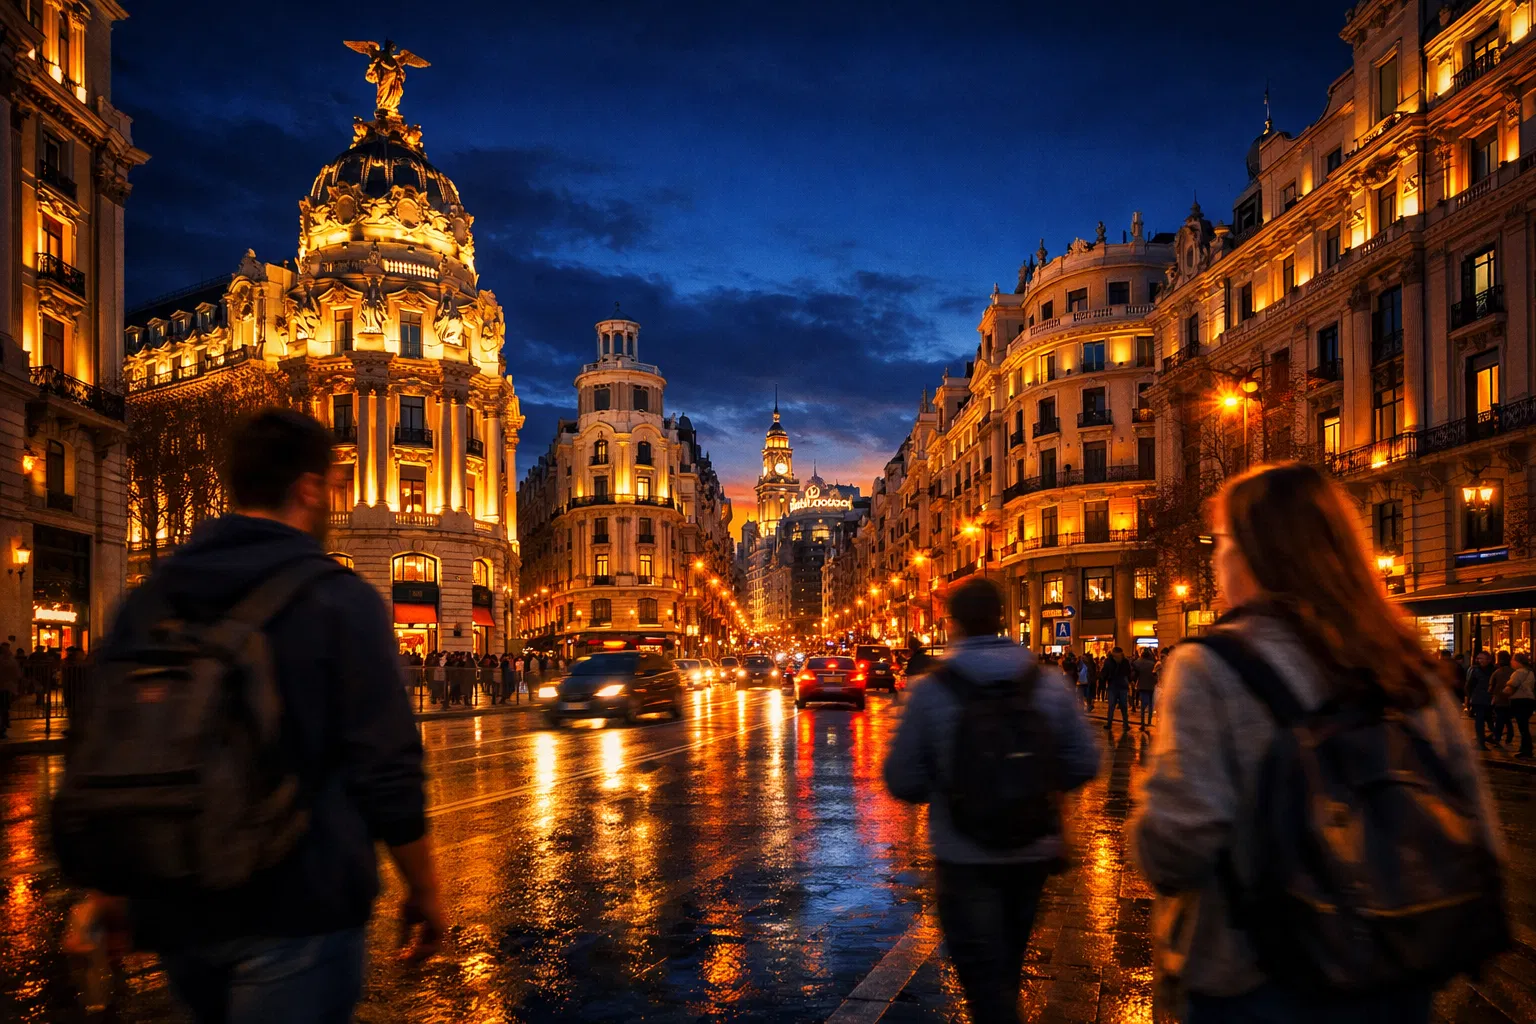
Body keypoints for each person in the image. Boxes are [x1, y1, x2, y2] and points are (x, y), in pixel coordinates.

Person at [82, 409, 443, 1023]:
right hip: (299, 903)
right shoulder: (338, 597)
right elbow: (386, 763)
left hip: (180, 901)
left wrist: (108, 886)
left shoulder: (152, 594)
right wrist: (425, 888)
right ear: (307, 488)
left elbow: (107, 743)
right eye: (332, 485)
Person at [1130, 463, 1502, 1023]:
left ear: (1252, 551)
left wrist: (1145, 809)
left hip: (1255, 977)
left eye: (1220, 541)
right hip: (1391, 974)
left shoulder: (1209, 667)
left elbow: (1177, 846)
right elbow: (1476, 826)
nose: (1213, 557)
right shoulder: (1407, 665)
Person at [884, 578, 1099, 1024]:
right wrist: (1034, 783)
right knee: (1008, 966)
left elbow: (902, 780)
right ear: (1002, 617)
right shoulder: (1050, 684)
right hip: (1033, 851)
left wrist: (950, 782)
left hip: (963, 854)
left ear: (952, 622)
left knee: (985, 986)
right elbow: (1084, 762)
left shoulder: (930, 690)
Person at [1506, 653, 1535, 758]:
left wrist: (1502, 692)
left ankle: (1527, 750)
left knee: (1522, 727)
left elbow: (1511, 686)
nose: (1511, 662)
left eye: (1512, 660)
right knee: (1524, 725)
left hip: (1519, 701)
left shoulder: (1518, 673)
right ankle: (1524, 748)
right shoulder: (1530, 672)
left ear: (1517, 661)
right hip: (1529, 701)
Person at [1466, 650, 1495, 748]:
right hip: (1478, 699)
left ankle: (1494, 737)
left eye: (1481, 658)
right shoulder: (1475, 670)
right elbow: (1469, 685)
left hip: (1491, 699)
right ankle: (1481, 742)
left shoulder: (1494, 670)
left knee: (1492, 721)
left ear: (1488, 660)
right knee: (1480, 721)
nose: (1479, 660)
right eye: (1478, 658)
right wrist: (1469, 699)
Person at [1102, 646, 1133, 731]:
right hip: (1114, 685)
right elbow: (1105, 672)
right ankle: (1111, 724)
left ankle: (1124, 724)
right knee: (1113, 706)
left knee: (1121, 706)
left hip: (1120, 686)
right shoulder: (1109, 661)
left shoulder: (1124, 661)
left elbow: (1128, 672)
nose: (1117, 657)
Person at [1491, 651, 1515, 747]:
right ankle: (1510, 736)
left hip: (1499, 699)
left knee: (1500, 719)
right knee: (1507, 719)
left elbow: (1491, 686)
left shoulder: (1497, 672)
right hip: (1510, 699)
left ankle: (1497, 738)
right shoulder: (1513, 672)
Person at [1133, 646, 1158, 729]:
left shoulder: (1138, 662)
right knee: (1150, 705)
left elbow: (1134, 673)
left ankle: (1142, 723)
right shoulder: (1153, 663)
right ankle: (1149, 721)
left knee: (1143, 705)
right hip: (1151, 686)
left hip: (1142, 685)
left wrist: (1134, 682)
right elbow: (1155, 675)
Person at [0, 641, 17, 737]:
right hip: (5, 687)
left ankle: (3, 727)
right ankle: (3, 726)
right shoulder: (9, 659)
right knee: (4, 707)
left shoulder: (8, 659)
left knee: (4, 707)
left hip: (4, 687)